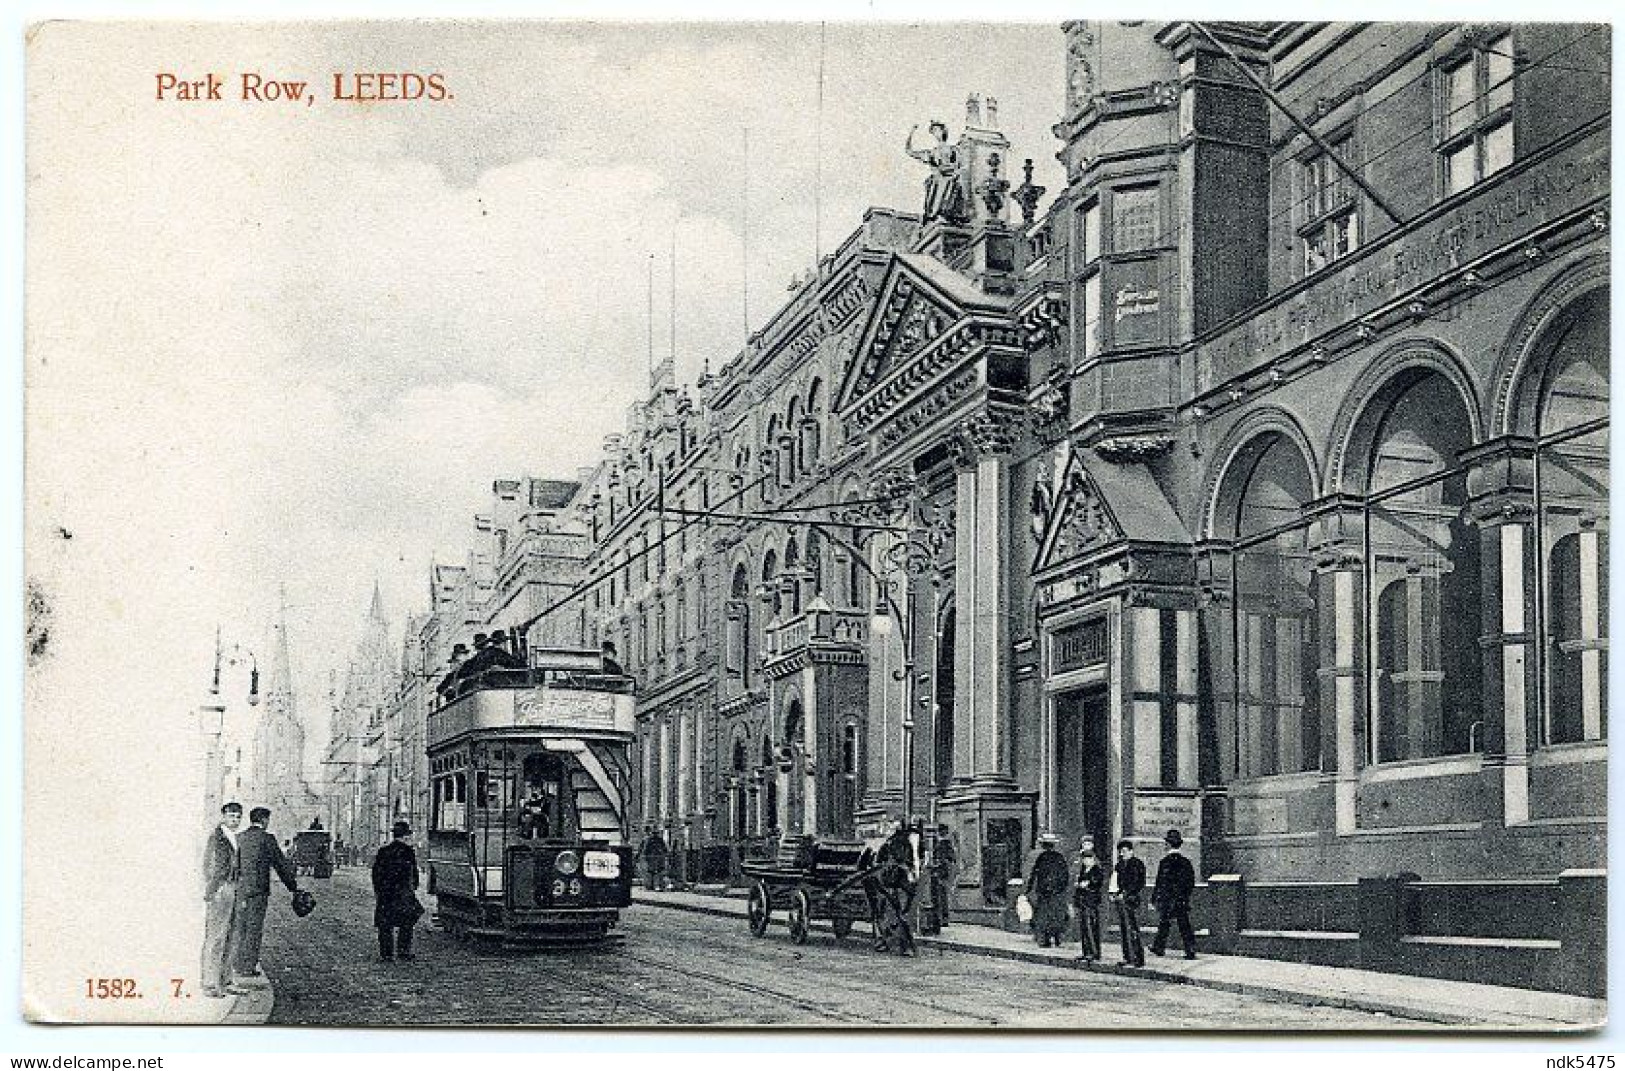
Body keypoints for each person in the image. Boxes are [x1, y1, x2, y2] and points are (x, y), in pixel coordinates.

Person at [231, 807, 301, 981]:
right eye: (267, 820)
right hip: (258, 891)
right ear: (263, 820)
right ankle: (247, 966)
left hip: (239, 890)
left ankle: (236, 963)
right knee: (254, 928)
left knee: (240, 926)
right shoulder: (267, 839)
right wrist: (293, 887)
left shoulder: (239, 838)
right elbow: (280, 865)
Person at [200, 801, 245, 999]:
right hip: (221, 888)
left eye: (237, 816)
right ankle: (210, 983)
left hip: (232, 887)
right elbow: (209, 865)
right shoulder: (217, 837)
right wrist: (211, 890)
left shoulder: (233, 837)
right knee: (216, 936)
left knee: (231, 935)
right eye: (231, 816)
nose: (234, 819)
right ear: (223, 817)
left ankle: (225, 980)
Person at [372, 821, 424, 962]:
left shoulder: (383, 851)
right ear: (406, 835)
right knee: (407, 923)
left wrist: (379, 890)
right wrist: (412, 888)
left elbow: (376, 873)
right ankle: (403, 951)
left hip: (386, 894)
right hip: (403, 893)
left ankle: (386, 954)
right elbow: (414, 874)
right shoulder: (408, 851)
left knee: (385, 925)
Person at [872, 820, 919, 956]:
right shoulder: (889, 845)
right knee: (893, 914)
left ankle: (903, 944)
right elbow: (879, 864)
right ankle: (887, 941)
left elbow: (913, 861)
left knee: (902, 915)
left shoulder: (908, 845)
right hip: (889, 883)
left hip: (903, 883)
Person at [1151, 828, 1198, 960]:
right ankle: (1190, 950)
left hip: (1168, 899)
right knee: (1184, 924)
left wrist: (1155, 898)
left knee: (1164, 923)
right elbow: (1190, 882)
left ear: (1168, 844)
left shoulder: (1164, 862)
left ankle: (1159, 948)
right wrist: (1185, 896)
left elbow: (1159, 883)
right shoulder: (1186, 862)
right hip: (1181, 899)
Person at [1026, 832, 1071, 948]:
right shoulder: (1059, 857)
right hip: (1056, 893)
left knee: (1044, 916)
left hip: (1045, 892)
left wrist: (1029, 889)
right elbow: (1065, 876)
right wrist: (1061, 888)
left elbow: (1034, 874)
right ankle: (1057, 938)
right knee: (1056, 915)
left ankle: (1046, 939)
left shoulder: (1041, 857)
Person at [1111, 838, 1146, 967]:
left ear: (1131, 851)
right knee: (1124, 930)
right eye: (1120, 851)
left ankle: (1138, 958)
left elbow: (1138, 883)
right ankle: (1128, 957)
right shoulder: (1119, 865)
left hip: (1133, 901)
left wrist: (1125, 893)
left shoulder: (1137, 864)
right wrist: (1115, 893)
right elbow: (1115, 882)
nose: (1122, 854)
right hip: (1122, 901)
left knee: (1133, 929)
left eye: (1124, 851)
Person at [1073, 838, 1106, 964]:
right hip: (1083, 902)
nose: (1086, 861)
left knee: (1091, 927)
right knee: (1084, 929)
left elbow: (1097, 883)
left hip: (1091, 902)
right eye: (1085, 859)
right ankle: (1086, 952)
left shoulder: (1096, 870)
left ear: (1093, 859)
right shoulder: (1083, 870)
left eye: (1089, 858)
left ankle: (1094, 953)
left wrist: (1088, 884)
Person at [929, 825, 957, 930]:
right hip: (939, 873)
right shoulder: (940, 843)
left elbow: (949, 860)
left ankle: (943, 919)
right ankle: (942, 919)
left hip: (941, 874)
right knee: (940, 897)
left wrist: (939, 867)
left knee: (941, 897)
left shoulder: (945, 844)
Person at [635, 826, 669, 892]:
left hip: (654, 858)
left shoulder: (656, 840)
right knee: (652, 872)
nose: (654, 834)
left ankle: (653, 886)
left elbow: (664, 849)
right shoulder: (649, 839)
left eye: (655, 833)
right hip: (651, 858)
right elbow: (642, 849)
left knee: (654, 872)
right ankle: (651, 886)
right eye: (654, 833)